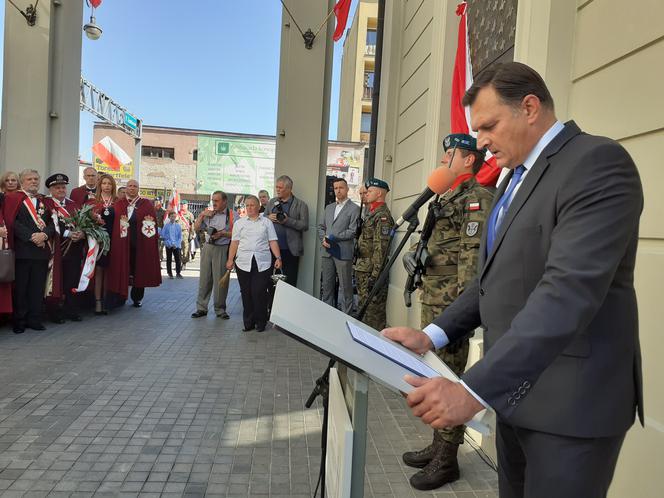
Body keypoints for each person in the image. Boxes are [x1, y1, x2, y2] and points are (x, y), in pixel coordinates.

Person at [383, 62, 644, 498]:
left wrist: (472, 388)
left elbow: (567, 293)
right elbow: (491, 280)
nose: (480, 142)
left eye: (488, 125)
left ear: (529, 107)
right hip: (516, 398)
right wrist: (432, 335)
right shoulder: (513, 181)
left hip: (571, 409)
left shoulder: (596, 163)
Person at [401, 134, 494, 491]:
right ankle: (438, 444)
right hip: (434, 300)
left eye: (449, 155)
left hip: (451, 307)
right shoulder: (446, 196)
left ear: (468, 159)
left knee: (450, 379)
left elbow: (471, 265)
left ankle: (447, 460)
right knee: (435, 374)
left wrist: (456, 314)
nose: (443, 161)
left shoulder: (476, 199)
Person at [4, 169, 55, 333]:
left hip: (41, 252)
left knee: (36, 288)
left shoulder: (45, 201)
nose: (33, 181)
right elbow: (12, 221)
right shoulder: (13, 198)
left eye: (36, 179)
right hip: (22, 250)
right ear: (22, 181)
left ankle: (34, 319)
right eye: (29, 179)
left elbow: (53, 224)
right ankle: (19, 321)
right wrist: (32, 236)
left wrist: (45, 235)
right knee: (21, 289)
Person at [226, 195, 282, 332]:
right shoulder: (240, 223)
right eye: (247, 205)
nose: (249, 208)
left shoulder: (266, 222)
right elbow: (234, 243)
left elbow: (273, 241)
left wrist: (278, 258)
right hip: (243, 262)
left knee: (259, 292)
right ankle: (248, 323)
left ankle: (261, 322)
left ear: (258, 207)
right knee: (246, 292)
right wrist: (230, 259)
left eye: (252, 205)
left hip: (262, 262)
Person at [107, 179, 161, 307]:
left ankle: (137, 298)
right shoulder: (119, 204)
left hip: (140, 244)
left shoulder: (146, 204)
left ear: (138, 189)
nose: (132, 188)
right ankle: (121, 296)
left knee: (139, 270)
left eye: (135, 186)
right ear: (126, 188)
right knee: (122, 268)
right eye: (129, 186)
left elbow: (152, 223)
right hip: (122, 244)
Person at [43, 173, 85, 323]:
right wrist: (68, 233)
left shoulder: (73, 205)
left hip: (73, 249)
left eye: (63, 187)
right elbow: (48, 224)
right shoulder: (46, 204)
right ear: (51, 189)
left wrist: (82, 233)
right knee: (55, 281)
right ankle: (54, 312)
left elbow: (82, 223)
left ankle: (71, 310)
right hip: (55, 249)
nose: (61, 190)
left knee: (71, 280)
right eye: (57, 187)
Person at [353, 178, 394, 330]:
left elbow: (381, 249)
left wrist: (375, 276)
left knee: (373, 313)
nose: (366, 194)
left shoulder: (382, 216)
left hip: (371, 272)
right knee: (364, 309)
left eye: (369, 191)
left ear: (378, 194)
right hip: (363, 269)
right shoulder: (371, 213)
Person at [191, 191, 237, 319]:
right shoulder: (208, 213)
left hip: (223, 248)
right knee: (204, 279)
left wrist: (222, 234)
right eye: (213, 200)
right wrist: (201, 215)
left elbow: (237, 234)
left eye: (216, 201)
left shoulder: (233, 215)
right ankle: (201, 308)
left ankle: (220, 309)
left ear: (224, 201)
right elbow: (196, 228)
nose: (214, 203)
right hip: (208, 247)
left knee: (221, 281)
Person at [318, 177, 360, 314]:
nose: (338, 191)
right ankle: (327, 314)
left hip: (343, 252)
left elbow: (353, 231)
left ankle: (346, 315)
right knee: (327, 285)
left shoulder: (355, 209)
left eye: (341, 188)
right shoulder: (329, 207)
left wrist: (334, 237)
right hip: (327, 251)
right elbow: (320, 227)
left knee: (346, 286)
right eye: (336, 188)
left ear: (347, 189)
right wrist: (323, 238)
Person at [265, 175, 309, 287]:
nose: (277, 190)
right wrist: (268, 217)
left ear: (289, 189)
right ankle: (272, 304)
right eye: (276, 187)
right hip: (272, 249)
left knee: (289, 282)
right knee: (271, 281)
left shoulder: (301, 205)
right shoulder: (271, 202)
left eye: (280, 188)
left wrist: (287, 220)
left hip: (291, 250)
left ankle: (287, 305)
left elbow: (304, 225)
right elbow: (263, 219)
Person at [91, 174, 117, 315]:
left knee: (110, 271)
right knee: (99, 271)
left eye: (109, 183)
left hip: (114, 241)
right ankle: (98, 302)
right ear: (100, 185)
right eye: (104, 183)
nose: (106, 186)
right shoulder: (93, 202)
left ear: (113, 186)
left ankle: (108, 301)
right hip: (98, 241)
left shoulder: (118, 202)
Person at [161, 211, 183, 279]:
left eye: (174, 216)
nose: (173, 218)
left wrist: (176, 244)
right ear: (169, 217)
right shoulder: (166, 226)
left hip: (176, 245)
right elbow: (163, 236)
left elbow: (180, 237)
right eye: (172, 217)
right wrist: (169, 243)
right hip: (169, 245)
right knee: (169, 259)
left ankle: (178, 272)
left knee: (178, 259)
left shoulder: (178, 226)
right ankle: (169, 273)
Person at [179, 200, 195, 267]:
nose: (182, 205)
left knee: (185, 248)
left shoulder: (190, 214)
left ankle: (184, 262)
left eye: (184, 204)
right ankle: (179, 262)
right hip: (177, 233)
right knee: (178, 249)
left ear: (187, 205)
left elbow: (192, 225)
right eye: (181, 204)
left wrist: (191, 234)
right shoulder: (177, 213)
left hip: (185, 233)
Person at [154, 198, 166, 262]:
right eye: (155, 202)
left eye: (158, 202)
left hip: (161, 232)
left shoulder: (164, 211)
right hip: (152, 231)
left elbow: (166, 222)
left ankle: (159, 260)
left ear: (160, 202)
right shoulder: (151, 210)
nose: (156, 203)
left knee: (160, 247)